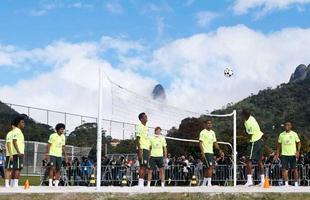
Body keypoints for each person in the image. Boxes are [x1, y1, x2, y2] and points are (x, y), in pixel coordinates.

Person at [241, 109, 265, 186]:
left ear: (245, 116)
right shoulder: (252, 117)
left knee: (248, 160)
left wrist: (243, 138)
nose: (241, 117)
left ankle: (249, 181)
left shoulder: (248, 123)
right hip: (260, 139)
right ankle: (263, 180)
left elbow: (249, 135)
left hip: (254, 141)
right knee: (259, 161)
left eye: (242, 115)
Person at [275, 121, 301, 186]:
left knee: (295, 169)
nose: (287, 126)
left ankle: (296, 183)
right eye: (286, 125)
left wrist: (298, 151)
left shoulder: (294, 134)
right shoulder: (281, 135)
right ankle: (286, 184)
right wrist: (277, 153)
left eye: (288, 125)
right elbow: (278, 145)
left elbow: (299, 143)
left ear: (291, 126)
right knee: (284, 169)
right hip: (284, 155)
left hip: (293, 154)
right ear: (284, 126)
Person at [199, 119, 222, 186]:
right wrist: (202, 152)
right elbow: (200, 142)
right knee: (210, 167)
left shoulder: (213, 133)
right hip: (206, 152)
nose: (209, 124)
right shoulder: (203, 132)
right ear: (205, 124)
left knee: (208, 167)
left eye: (210, 123)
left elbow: (215, 143)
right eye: (208, 123)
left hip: (211, 152)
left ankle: (203, 183)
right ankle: (209, 183)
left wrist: (220, 150)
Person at [136, 112, 150, 187]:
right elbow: (137, 138)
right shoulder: (139, 126)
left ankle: (142, 183)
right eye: (145, 116)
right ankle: (140, 184)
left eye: (146, 116)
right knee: (142, 166)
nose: (146, 117)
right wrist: (140, 149)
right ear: (141, 119)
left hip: (146, 149)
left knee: (145, 166)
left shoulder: (147, 127)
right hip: (142, 148)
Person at [11, 115, 25, 187]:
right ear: (18, 123)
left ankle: (12, 184)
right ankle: (15, 185)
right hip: (18, 153)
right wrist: (19, 151)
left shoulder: (18, 131)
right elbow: (14, 141)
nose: (24, 124)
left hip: (17, 153)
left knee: (15, 168)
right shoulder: (17, 131)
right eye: (22, 122)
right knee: (18, 168)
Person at [4, 123, 15, 187]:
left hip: (16, 155)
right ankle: (7, 184)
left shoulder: (18, 134)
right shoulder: (10, 134)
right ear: (12, 126)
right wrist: (11, 154)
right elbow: (8, 144)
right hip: (10, 154)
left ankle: (12, 183)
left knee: (14, 169)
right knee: (8, 169)